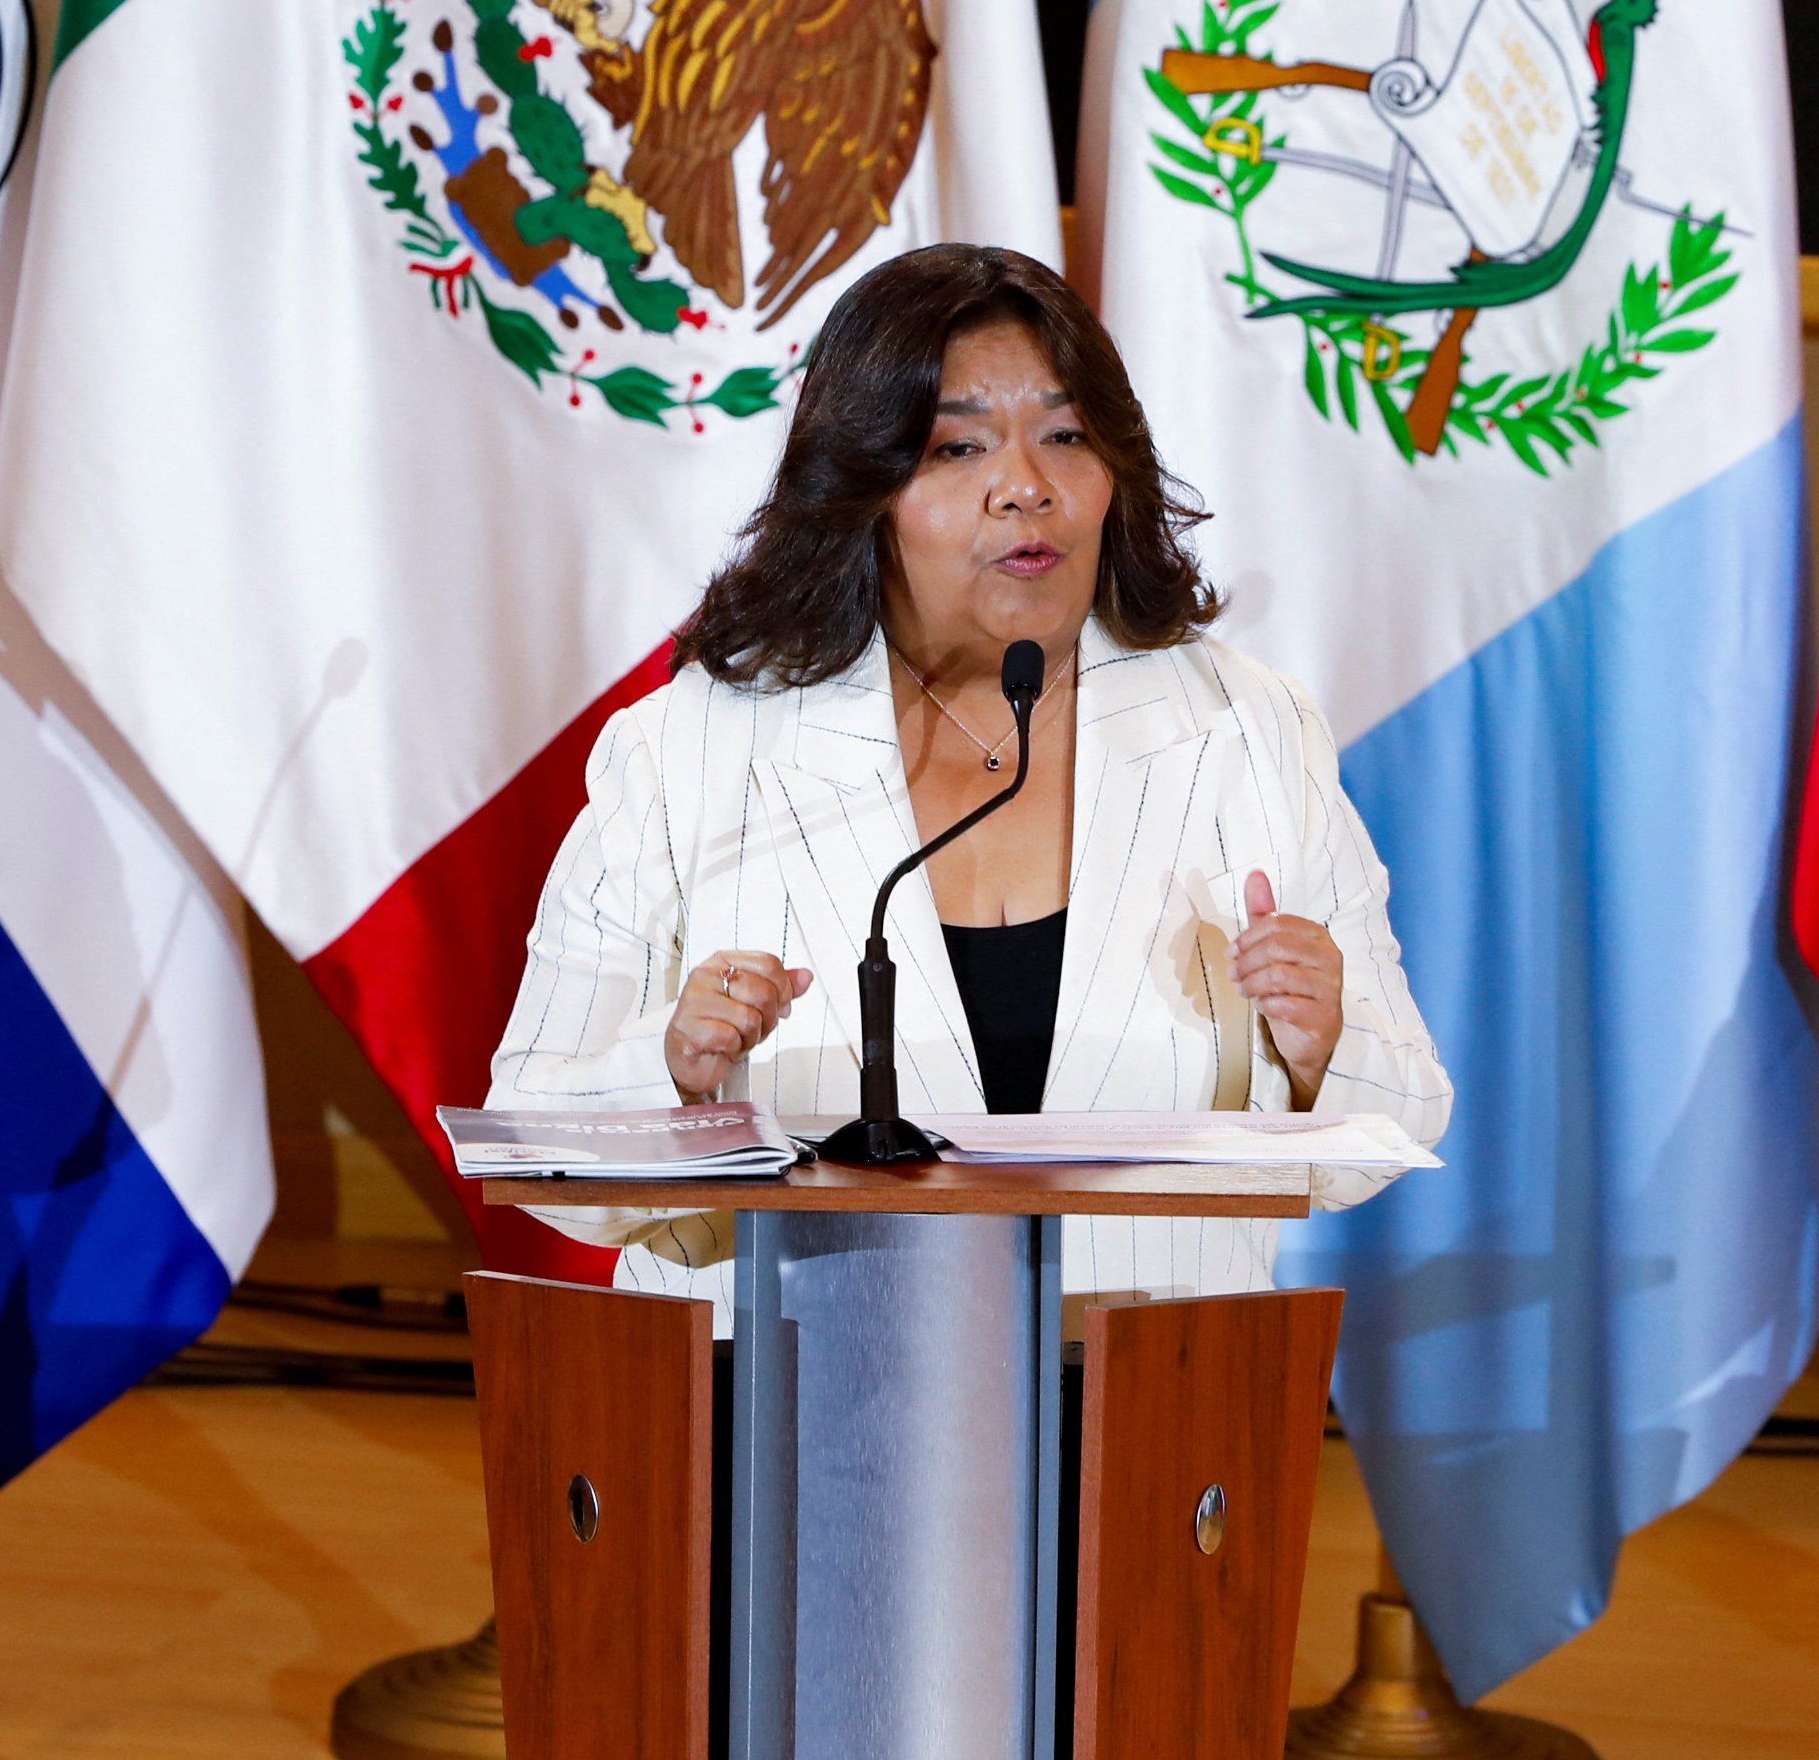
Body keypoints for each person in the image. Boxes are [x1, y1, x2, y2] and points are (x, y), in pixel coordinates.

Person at [485, 243, 1450, 1313]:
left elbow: (1403, 1111)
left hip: (1148, 1415)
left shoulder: (1245, 728)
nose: (1023, 489)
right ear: (861, 485)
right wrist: (669, 1074)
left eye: (1065, 436)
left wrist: (1321, 1046)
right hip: (787, 1406)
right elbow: (531, 1136)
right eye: (956, 448)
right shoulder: (688, 750)